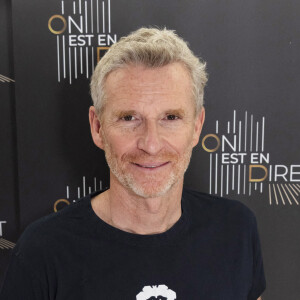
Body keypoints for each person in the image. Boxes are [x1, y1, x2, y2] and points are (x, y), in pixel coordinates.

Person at [0, 27, 266, 300]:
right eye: (129, 118)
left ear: (197, 126)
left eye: (171, 117)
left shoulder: (236, 230)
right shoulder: (43, 251)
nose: (151, 144)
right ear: (98, 127)